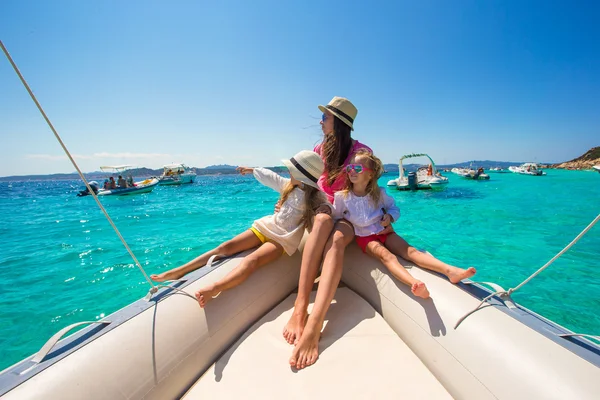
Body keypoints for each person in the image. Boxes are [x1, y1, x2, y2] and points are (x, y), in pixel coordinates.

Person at [150, 150, 330, 308]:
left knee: (251, 261)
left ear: (301, 174)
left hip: (282, 241)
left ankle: (215, 288)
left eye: (292, 169)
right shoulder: (288, 186)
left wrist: (325, 210)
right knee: (224, 247)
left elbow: (328, 207)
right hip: (266, 227)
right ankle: (180, 270)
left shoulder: (314, 197)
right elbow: (270, 177)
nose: (289, 171)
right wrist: (252, 170)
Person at [284, 97, 372, 369]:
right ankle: (300, 308)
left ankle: (315, 322)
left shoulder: (362, 153)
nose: (321, 121)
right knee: (322, 223)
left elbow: (369, 191)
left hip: (346, 214)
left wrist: (385, 219)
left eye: (325, 117)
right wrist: (286, 198)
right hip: (322, 207)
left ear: (339, 122)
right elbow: (305, 184)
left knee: (336, 237)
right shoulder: (318, 149)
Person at [334, 150, 477, 299]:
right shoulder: (342, 198)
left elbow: (394, 208)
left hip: (384, 231)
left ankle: (450, 271)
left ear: (370, 175)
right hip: (365, 238)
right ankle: (414, 283)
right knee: (387, 256)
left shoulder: (379, 193)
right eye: (349, 168)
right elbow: (336, 217)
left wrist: (389, 217)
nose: (352, 172)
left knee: (411, 251)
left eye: (357, 168)